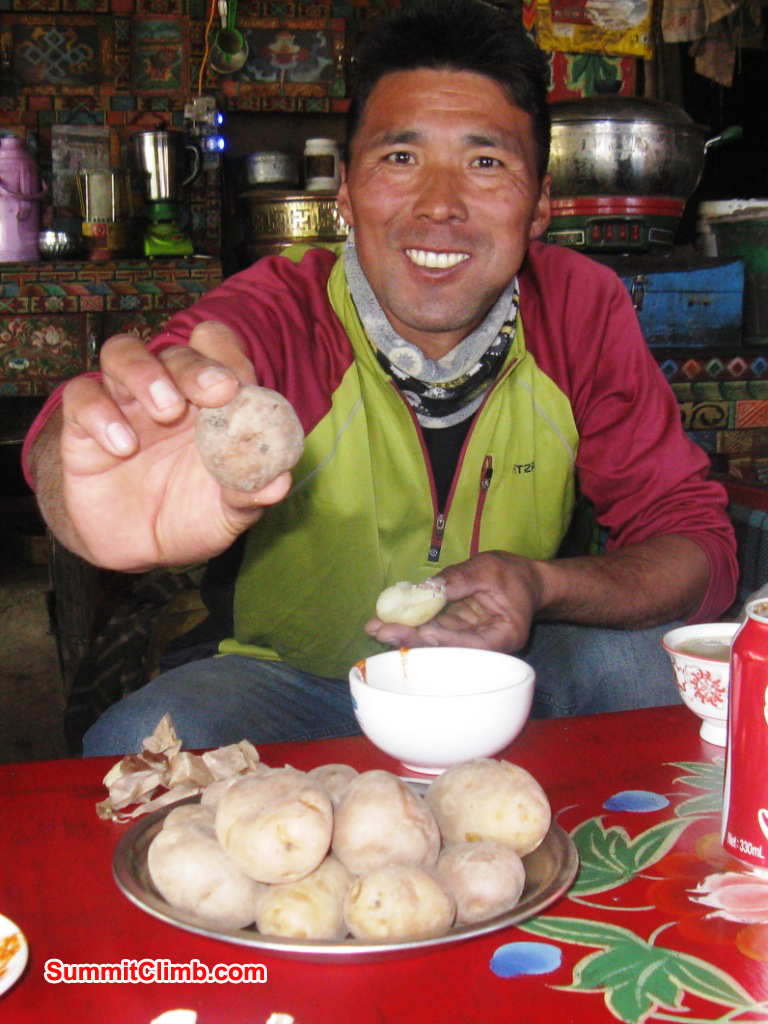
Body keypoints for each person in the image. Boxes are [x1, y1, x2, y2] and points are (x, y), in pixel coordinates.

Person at [23, 0, 738, 756]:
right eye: (400, 158)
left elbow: (696, 543)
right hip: (296, 690)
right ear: (344, 195)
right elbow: (106, 423)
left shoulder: (581, 307)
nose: (439, 206)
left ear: (540, 207)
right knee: (136, 743)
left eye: (486, 161)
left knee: (655, 670)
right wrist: (82, 471)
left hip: (506, 678)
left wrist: (539, 586)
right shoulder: (283, 311)